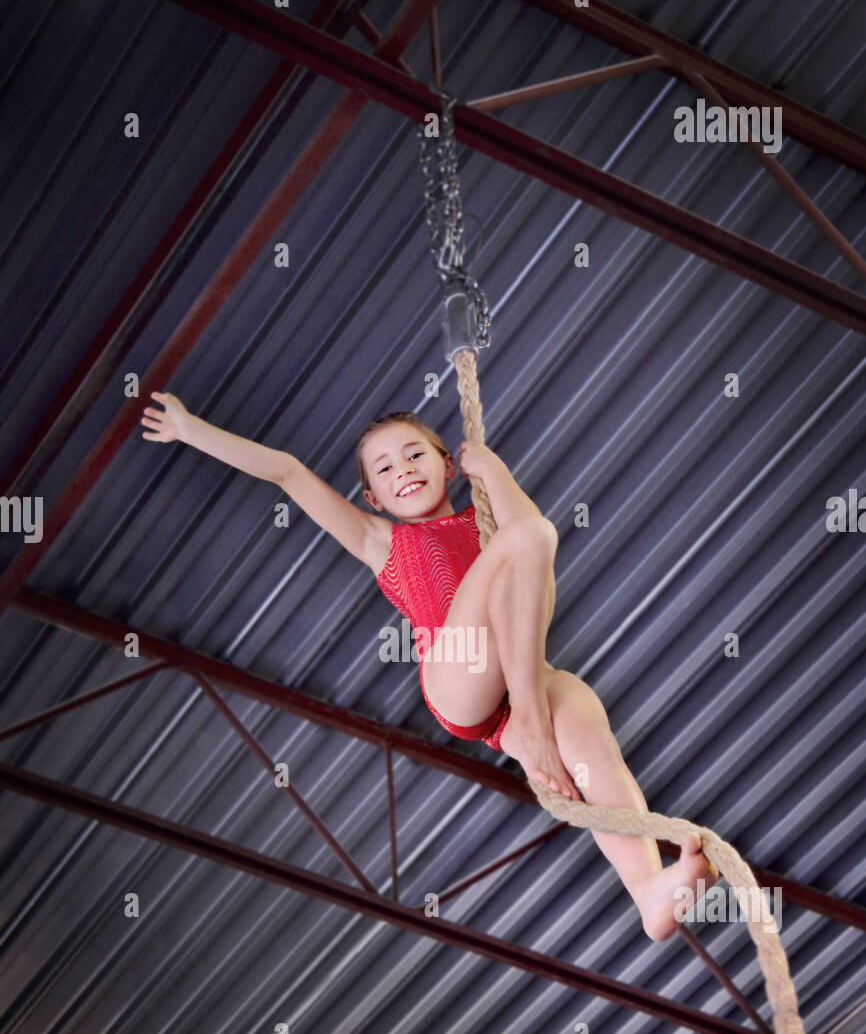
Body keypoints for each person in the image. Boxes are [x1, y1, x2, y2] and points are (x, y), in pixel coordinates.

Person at [141, 392, 718, 940]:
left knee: (591, 735)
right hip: (458, 675)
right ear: (373, 499)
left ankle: (647, 888)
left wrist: (489, 468)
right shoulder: (381, 541)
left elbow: (531, 535)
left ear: (446, 465)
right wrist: (190, 429)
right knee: (527, 542)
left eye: (415, 454)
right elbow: (288, 471)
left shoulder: (484, 518)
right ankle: (533, 731)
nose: (404, 470)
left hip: (521, 685)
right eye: (385, 470)